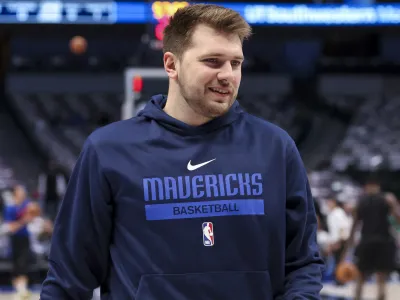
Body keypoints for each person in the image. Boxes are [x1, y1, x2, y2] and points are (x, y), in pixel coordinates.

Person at [40, 4, 324, 299]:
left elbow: (303, 263)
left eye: (235, 63)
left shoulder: (275, 148)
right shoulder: (108, 150)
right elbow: (69, 277)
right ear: (171, 64)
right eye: (213, 61)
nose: (228, 75)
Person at [343, 179, 400, 300]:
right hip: (372, 242)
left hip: (380, 242)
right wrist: (347, 250)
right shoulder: (362, 202)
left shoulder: (384, 200)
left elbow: (398, 219)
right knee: (364, 279)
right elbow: (354, 226)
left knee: (378, 281)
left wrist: (394, 204)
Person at [3, 185, 35, 300]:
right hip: (14, 240)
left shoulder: (27, 205)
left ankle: (23, 289)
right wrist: (23, 221)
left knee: (24, 264)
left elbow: (34, 214)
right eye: (20, 192)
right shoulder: (10, 207)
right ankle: (19, 289)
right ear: (16, 193)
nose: (23, 194)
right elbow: (11, 227)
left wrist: (30, 216)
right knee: (16, 265)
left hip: (25, 238)